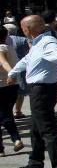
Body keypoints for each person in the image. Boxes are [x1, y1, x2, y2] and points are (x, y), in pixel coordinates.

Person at [8, 15, 57, 168]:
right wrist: (13, 72)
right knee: (36, 127)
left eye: (23, 27)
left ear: (29, 29)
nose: (22, 30)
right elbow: (27, 60)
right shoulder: (38, 43)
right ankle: (35, 161)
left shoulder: (47, 42)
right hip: (40, 90)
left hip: (43, 90)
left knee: (48, 129)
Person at [0, 26, 24, 156]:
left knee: (4, 116)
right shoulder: (11, 48)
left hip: (3, 86)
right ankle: (13, 141)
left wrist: (11, 74)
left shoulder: (1, 49)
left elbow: (3, 62)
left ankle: (15, 139)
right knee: (6, 114)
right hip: (12, 88)